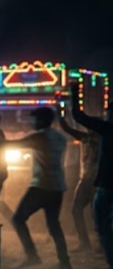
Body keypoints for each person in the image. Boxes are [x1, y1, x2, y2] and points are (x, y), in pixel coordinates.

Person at [0, 107, 70, 269]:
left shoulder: (39, 136)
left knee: (18, 219)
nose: (30, 122)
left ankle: (32, 255)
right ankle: (65, 262)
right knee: (53, 224)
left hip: (41, 185)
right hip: (57, 185)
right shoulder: (59, 137)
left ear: (41, 121)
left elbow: (7, 145)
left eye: (32, 119)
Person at [66, 82, 113, 269]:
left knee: (102, 224)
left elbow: (78, 116)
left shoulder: (106, 129)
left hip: (107, 184)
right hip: (102, 184)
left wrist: (75, 91)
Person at [56, 102, 100, 252]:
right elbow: (67, 128)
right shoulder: (87, 137)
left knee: (93, 212)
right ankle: (89, 242)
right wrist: (61, 114)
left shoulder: (98, 138)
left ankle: (95, 243)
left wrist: (60, 114)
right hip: (87, 179)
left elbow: (67, 128)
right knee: (79, 210)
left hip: (95, 180)